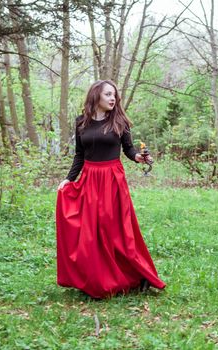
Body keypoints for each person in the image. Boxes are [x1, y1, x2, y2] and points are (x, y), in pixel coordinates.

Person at [55, 80, 166, 299]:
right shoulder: (81, 123)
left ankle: (136, 275)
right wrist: (69, 179)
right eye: (108, 94)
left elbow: (129, 149)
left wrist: (140, 158)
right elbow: (79, 154)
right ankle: (93, 279)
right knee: (89, 232)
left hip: (112, 180)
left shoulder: (120, 121)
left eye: (114, 95)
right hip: (89, 178)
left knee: (114, 230)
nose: (112, 98)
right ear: (96, 95)